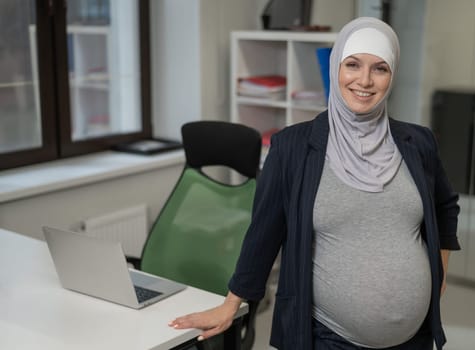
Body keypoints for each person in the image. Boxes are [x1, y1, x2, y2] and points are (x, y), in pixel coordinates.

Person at [169, 16, 460, 350]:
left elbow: (444, 206)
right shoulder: (293, 148)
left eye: (380, 68)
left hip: (414, 339)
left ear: (392, 75)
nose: (364, 80)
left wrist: (440, 272)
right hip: (328, 339)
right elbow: (264, 234)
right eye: (352, 64)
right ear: (336, 67)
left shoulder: (418, 142)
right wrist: (230, 304)